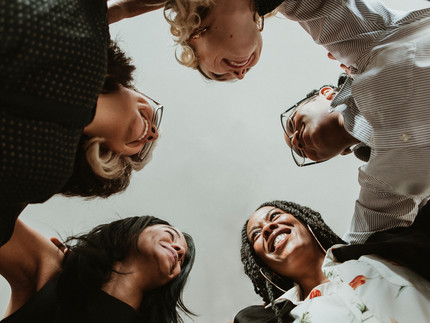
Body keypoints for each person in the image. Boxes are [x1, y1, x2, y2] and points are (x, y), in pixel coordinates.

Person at [0, 0, 164, 246]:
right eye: (156, 117)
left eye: (138, 156)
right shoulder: (83, 25)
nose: (152, 134)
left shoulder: (45, 173)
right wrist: (114, 13)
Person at [235, 200, 430, 322]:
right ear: (266, 268)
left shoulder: (376, 248)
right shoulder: (281, 318)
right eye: (257, 234)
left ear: (307, 223)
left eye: (275, 215)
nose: (268, 228)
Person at [0, 215, 195, 323]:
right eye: (170, 235)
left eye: (181, 258)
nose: (178, 250)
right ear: (129, 231)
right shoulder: (55, 268)